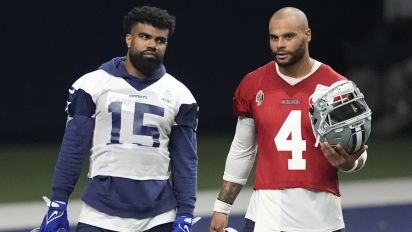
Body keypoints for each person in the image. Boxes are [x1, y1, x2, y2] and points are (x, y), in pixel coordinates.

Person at [37, 5, 199, 232]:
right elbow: (73, 148)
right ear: (129, 39)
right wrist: (58, 200)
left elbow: (186, 161)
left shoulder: (181, 95)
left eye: (160, 40)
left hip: (158, 216)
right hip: (100, 214)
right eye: (145, 37)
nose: (152, 44)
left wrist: (186, 214)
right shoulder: (92, 84)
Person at [209, 7, 368, 232]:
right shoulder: (253, 84)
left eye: (288, 36)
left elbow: (359, 147)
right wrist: (222, 206)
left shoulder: (336, 87)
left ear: (307, 35)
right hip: (267, 216)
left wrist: (350, 163)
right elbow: (242, 148)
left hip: (322, 216)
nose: (279, 45)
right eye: (274, 37)